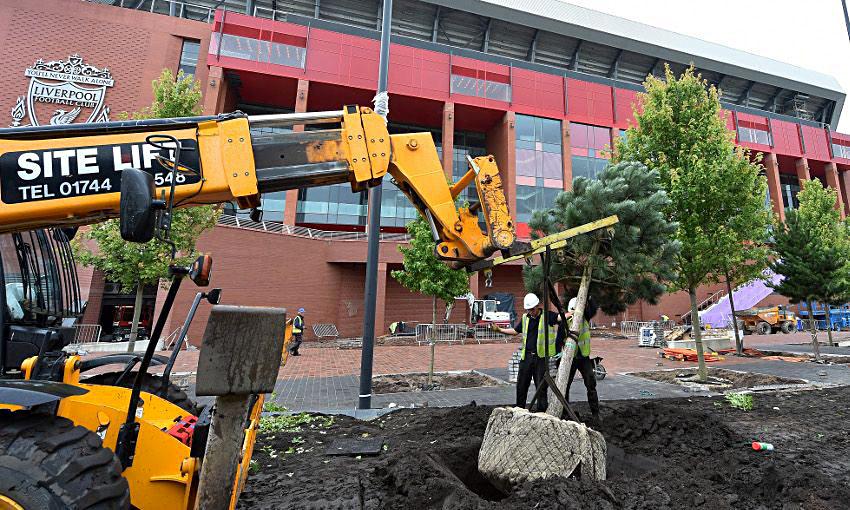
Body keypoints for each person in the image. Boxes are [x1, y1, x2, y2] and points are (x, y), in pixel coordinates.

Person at [496, 293, 563, 412]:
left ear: (538, 306)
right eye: (528, 309)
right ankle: (519, 410)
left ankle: (542, 412)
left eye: (532, 309)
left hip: (541, 358)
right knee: (521, 385)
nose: (530, 312)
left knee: (541, 387)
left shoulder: (547, 316)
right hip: (526, 357)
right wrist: (500, 330)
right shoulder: (525, 318)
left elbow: (560, 317)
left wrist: (575, 312)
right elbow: (516, 331)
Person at [565, 296, 600, 422]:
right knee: (565, 385)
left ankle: (595, 413)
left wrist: (589, 298)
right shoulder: (566, 321)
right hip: (571, 358)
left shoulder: (585, 317)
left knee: (591, 384)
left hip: (583, 357)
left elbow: (593, 309)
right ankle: (566, 412)